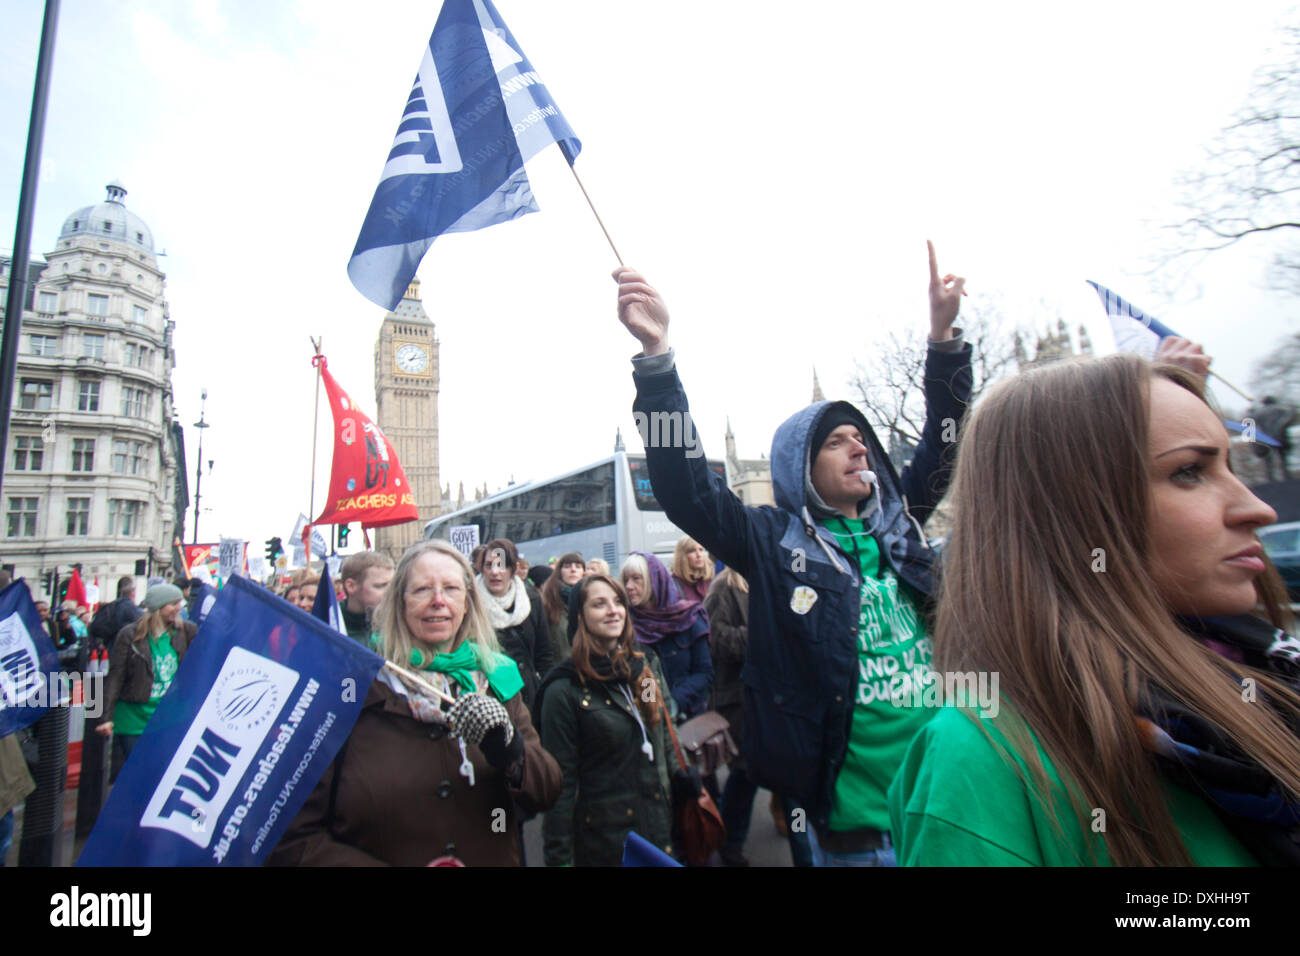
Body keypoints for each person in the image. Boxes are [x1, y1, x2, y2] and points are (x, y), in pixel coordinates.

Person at [613, 242, 971, 866]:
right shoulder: (775, 544)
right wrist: (656, 361)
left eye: (862, 440)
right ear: (802, 470)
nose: (860, 450)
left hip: (946, 811)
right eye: (838, 443)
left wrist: (943, 342)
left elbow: (945, 438)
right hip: (853, 834)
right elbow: (689, 492)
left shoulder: (900, 527)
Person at [889, 353, 1300, 866]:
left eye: (1228, 465)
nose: (1259, 508)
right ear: (1067, 516)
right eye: (1189, 471)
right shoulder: (980, 764)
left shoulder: (1272, 674)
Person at [268, 540, 561, 866]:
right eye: (422, 590)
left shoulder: (497, 679)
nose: (438, 601)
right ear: (399, 603)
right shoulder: (352, 692)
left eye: (451, 588)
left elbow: (547, 789)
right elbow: (293, 839)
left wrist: (512, 752)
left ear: (467, 601)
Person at [538, 573, 676, 866]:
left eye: (618, 602)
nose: (614, 610)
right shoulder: (563, 691)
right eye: (600, 604)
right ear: (580, 616)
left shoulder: (642, 668)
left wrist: (680, 783)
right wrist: (559, 858)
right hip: (606, 842)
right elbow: (560, 786)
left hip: (657, 825)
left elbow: (661, 728)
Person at [705, 566, 813, 868]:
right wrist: (763, 636)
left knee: (792, 786)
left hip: (780, 701)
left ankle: (804, 853)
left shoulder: (775, 580)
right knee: (745, 777)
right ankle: (729, 846)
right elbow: (716, 641)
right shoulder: (723, 588)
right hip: (743, 703)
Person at [96, 584, 197, 782]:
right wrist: (105, 717)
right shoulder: (130, 634)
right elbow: (116, 676)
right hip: (134, 719)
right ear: (158, 606)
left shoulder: (186, 631)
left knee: (163, 777)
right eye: (173, 604)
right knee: (139, 776)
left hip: (169, 717)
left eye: (179, 603)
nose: (178, 608)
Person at [621, 552, 713, 721]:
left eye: (636, 579)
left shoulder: (689, 617)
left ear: (653, 580)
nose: (628, 586)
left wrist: (675, 702)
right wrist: (654, 708)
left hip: (690, 718)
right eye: (626, 580)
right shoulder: (626, 625)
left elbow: (704, 672)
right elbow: (643, 676)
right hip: (652, 722)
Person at [475, 540, 553, 717]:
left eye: (501, 565)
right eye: (489, 565)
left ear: (513, 568)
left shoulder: (531, 599)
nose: (495, 572)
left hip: (528, 694)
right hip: (490, 696)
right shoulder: (471, 603)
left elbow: (544, 654)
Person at [539, 551, 586, 664]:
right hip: (561, 670)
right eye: (567, 566)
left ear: (583, 572)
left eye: (578, 566)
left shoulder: (592, 601)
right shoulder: (547, 604)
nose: (573, 569)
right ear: (559, 572)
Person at [338, 551, 395, 643]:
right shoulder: (329, 628)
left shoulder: (399, 627)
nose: (390, 593)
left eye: (392, 586)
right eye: (380, 586)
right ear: (351, 586)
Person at [90, 576, 144, 649]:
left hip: (111, 644)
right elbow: (140, 625)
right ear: (132, 593)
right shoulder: (130, 607)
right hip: (123, 646)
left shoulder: (113, 605)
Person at [671, 535, 714, 606]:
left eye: (701, 549)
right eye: (692, 551)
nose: (699, 555)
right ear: (682, 555)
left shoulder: (712, 581)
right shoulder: (672, 585)